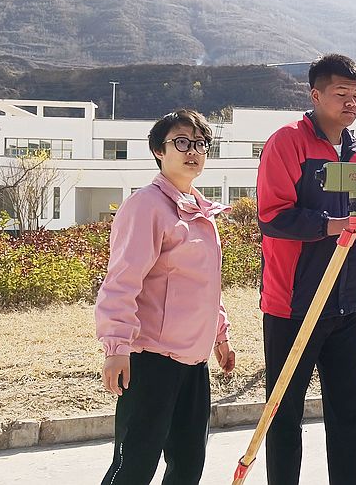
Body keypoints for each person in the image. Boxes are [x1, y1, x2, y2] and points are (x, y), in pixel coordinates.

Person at [95, 109, 236, 485]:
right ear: (159, 150)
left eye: (200, 144)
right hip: (151, 361)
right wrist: (116, 348)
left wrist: (220, 336)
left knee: (187, 467)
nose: (193, 151)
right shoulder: (146, 206)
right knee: (133, 467)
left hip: (194, 361)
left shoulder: (200, 211)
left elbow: (207, 285)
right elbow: (121, 282)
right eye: (182, 142)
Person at [256, 54, 356, 484]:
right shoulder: (287, 142)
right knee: (284, 415)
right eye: (341, 93)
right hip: (293, 304)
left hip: (347, 303)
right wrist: (332, 225)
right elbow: (272, 216)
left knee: (351, 413)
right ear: (316, 95)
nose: (351, 102)